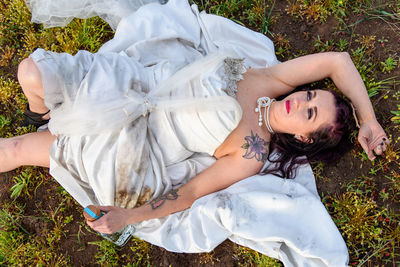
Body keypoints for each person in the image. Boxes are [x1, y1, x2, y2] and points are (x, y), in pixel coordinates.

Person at [2, 0, 390, 265]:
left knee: (19, 150)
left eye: (309, 113)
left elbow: (188, 193)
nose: (300, 101)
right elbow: (338, 61)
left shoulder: (252, 153)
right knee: (30, 72)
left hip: (129, 139)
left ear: (305, 138)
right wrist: (367, 119)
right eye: (309, 94)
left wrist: (128, 215)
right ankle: (41, 114)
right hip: (132, 83)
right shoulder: (269, 80)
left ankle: (47, 127)